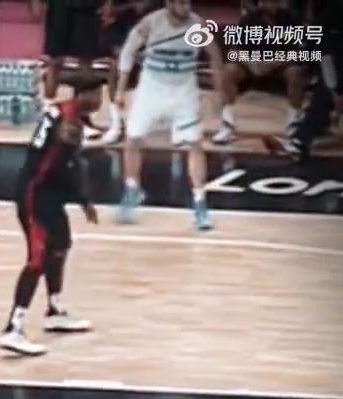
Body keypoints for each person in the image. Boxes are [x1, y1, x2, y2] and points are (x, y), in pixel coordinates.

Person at [0, 77, 103, 358]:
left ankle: (55, 310)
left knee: (61, 244)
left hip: (49, 193)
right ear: (84, 94)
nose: (99, 101)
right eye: (97, 94)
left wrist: (81, 199)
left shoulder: (60, 111)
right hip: (35, 195)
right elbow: (65, 167)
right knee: (37, 259)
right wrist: (82, 197)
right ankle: (13, 328)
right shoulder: (68, 123)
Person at [113, 0, 223, 230]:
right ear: (169, 3)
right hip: (151, 89)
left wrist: (218, 93)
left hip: (184, 91)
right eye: (181, 3)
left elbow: (214, 56)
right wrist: (121, 90)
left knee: (195, 144)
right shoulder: (152, 22)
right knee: (133, 140)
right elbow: (128, 51)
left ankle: (200, 204)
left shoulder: (197, 25)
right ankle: (132, 190)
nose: (186, 7)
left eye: (188, 3)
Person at [211, 0, 307, 146]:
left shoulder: (291, 20)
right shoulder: (249, 19)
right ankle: (227, 124)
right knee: (229, 71)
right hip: (252, 66)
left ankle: (294, 125)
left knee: (296, 73)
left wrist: (272, 63)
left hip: (280, 66)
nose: (270, 4)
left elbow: (300, 52)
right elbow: (234, 51)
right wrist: (252, 63)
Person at [264, 1, 343, 160]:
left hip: (334, 59)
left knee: (326, 91)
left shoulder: (332, 15)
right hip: (329, 59)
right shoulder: (319, 18)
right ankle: (303, 137)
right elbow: (308, 50)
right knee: (324, 91)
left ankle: (301, 139)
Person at [99, 0, 156, 146]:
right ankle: (117, 122)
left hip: (155, 56)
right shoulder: (124, 16)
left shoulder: (161, 15)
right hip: (129, 56)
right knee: (115, 67)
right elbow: (112, 43)